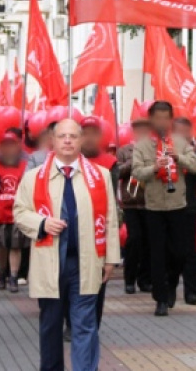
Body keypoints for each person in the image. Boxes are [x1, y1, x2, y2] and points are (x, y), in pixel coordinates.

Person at [13, 119, 121, 371]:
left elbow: (110, 219)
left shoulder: (100, 176)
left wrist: (110, 258)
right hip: (49, 262)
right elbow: (19, 212)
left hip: (86, 262)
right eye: (62, 136)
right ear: (53, 140)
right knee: (50, 325)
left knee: (85, 324)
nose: (68, 141)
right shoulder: (34, 177)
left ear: (81, 140)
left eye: (73, 136)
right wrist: (42, 223)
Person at [132, 101, 196, 316]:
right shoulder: (143, 145)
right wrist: (154, 168)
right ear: (151, 120)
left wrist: (178, 158)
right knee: (157, 254)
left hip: (178, 206)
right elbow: (136, 172)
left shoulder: (180, 142)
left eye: (165, 118)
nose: (162, 122)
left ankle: (171, 284)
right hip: (154, 207)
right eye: (158, 118)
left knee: (179, 252)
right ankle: (160, 298)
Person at [80, 116, 120, 328]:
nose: (89, 138)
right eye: (84, 133)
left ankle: (93, 322)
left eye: (93, 133)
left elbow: (111, 202)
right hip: (74, 229)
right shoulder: (69, 161)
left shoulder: (110, 163)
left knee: (98, 279)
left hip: (99, 230)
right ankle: (73, 322)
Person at [172, 117, 196, 304]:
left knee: (189, 252)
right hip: (168, 208)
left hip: (188, 208)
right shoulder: (165, 152)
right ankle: (169, 291)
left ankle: (191, 292)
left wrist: (190, 161)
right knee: (171, 251)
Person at [0, 129, 29, 293]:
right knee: (1, 247)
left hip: (17, 213)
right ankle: (1, 274)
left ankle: (13, 276)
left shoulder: (24, 166)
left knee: (16, 246)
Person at [118, 118, 153, 294]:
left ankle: (144, 279)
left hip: (150, 202)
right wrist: (133, 161)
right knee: (135, 239)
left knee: (148, 241)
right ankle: (129, 279)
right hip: (131, 202)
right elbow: (117, 172)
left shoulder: (154, 149)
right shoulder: (124, 151)